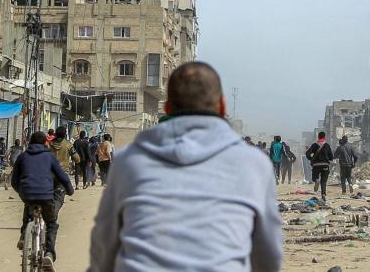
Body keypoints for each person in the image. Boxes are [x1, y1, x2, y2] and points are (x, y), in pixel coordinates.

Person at [87, 61, 283, 272]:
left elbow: (103, 249)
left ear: (168, 107)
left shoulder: (130, 160)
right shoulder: (253, 164)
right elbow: (268, 257)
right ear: (222, 106)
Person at [12, 130, 74, 267]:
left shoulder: (23, 157)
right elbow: (62, 176)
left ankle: (24, 236)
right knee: (51, 224)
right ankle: (49, 254)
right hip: (46, 195)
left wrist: (21, 191)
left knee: (28, 208)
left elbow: (14, 181)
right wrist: (70, 190)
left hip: (27, 193)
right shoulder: (50, 157)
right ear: (45, 142)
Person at [305, 132, 334, 201]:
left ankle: (316, 180)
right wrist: (327, 159)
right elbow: (331, 157)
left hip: (316, 165)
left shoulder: (314, 145)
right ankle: (323, 194)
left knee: (314, 177)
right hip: (325, 165)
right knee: (323, 181)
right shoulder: (327, 145)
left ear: (318, 137)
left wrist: (311, 159)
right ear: (324, 137)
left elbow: (307, 153)